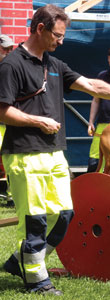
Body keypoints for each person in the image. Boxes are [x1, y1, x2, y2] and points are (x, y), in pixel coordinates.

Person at [0, 4, 110, 296]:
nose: (62, 40)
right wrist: (36, 120)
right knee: (35, 220)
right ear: (40, 29)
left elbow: (93, 85)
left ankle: (21, 261)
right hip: (23, 154)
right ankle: (37, 281)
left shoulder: (55, 65)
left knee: (65, 215)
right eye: (57, 35)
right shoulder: (11, 65)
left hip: (55, 153)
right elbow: (2, 110)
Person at [0, 34, 15, 205]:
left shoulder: (12, 68)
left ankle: (12, 197)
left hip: (10, 123)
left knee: (11, 161)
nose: (9, 51)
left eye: (11, 48)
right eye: (6, 48)